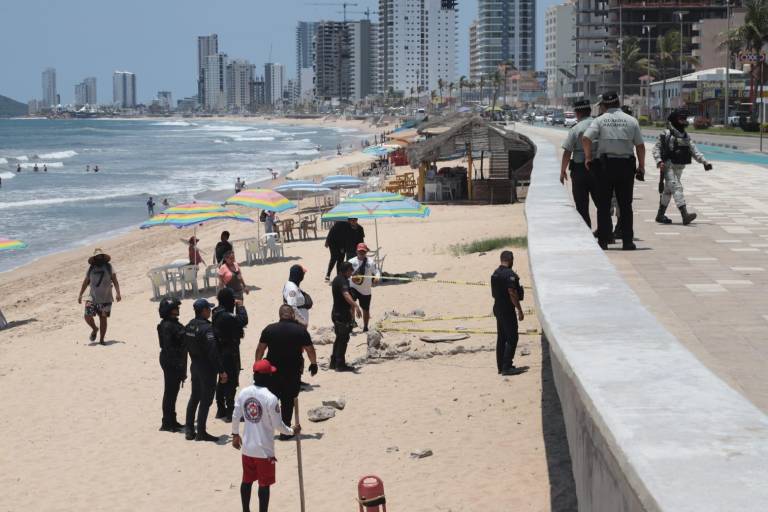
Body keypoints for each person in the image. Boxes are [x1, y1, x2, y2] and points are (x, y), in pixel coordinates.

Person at [232, 360, 301, 512]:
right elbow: (278, 425)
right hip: (264, 450)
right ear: (268, 376)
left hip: (247, 448)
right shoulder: (271, 398)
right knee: (264, 484)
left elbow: (236, 415)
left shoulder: (244, 392)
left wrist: (235, 434)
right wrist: (292, 431)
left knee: (246, 481)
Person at [583, 91, 646, 251]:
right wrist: (641, 166)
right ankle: (627, 241)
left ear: (603, 105)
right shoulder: (631, 120)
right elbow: (640, 146)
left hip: (605, 166)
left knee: (603, 205)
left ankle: (604, 241)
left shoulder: (600, 120)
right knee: (625, 205)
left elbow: (586, 138)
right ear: (618, 103)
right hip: (626, 166)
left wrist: (588, 157)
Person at [255, 305, 318, 437]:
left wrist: (258, 365)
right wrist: (313, 364)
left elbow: (260, 349)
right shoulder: (300, 331)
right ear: (292, 315)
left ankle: (267, 428)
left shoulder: (269, 329)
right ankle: (285, 430)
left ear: (279, 315)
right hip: (292, 371)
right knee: (288, 401)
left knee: (271, 399)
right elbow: (310, 350)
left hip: (272, 371)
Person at [653, 109, 712, 225]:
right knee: (677, 188)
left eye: (685, 118)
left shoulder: (685, 136)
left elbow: (694, 151)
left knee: (668, 191)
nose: (684, 121)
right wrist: (659, 161)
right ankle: (684, 214)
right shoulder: (666, 134)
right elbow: (656, 149)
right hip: (669, 166)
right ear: (675, 120)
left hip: (680, 167)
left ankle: (660, 215)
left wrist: (704, 162)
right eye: (681, 119)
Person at [184, 298, 228, 442]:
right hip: (206, 368)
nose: (210, 311)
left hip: (194, 365)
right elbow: (213, 352)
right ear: (203, 311)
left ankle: (189, 429)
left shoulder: (189, 325)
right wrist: (221, 371)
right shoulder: (207, 328)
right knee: (206, 400)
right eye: (208, 309)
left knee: (194, 396)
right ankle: (201, 431)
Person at [560, 99, 599, 228]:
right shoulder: (599, 125)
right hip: (599, 167)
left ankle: (586, 230)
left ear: (578, 113)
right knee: (602, 203)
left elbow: (567, 152)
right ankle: (605, 233)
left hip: (580, 170)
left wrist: (562, 171)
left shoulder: (576, 129)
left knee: (581, 204)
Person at [213, 287, 249, 423]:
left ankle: (221, 408)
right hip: (229, 352)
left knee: (222, 380)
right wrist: (241, 307)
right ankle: (230, 412)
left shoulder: (216, 312)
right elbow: (243, 320)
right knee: (231, 381)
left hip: (221, 350)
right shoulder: (226, 316)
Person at [491, 251, 526, 376]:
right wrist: (520, 310)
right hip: (507, 309)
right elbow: (512, 292)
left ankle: (501, 366)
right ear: (511, 260)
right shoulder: (509, 275)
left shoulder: (495, 273)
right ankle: (507, 367)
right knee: (512, 337)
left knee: (501, 337)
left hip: (497, 308)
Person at [77, 248, 121, 345]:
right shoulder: (91, 268)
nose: (99, 258)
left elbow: (115, 281)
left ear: (103, 257)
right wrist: (80, 295)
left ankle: (101, 340)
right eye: (97, 257)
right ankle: (94, 328)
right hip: (92, 297)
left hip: (106, 298)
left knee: (103, 318)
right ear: (95, 258)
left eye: (100, 256)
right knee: (87, 316)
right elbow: (85, 282)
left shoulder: (109, 267)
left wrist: (118, 293)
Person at [157, 298, 187, 432]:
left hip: (170, 359)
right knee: (170, 392)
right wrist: (178, 364)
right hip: (170, 361)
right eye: (175, 307)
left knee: (172, 392)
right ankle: (167, 423)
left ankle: (171, 420)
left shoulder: (170, 323)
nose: (178, 309)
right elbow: (170, 347)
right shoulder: (169, 325)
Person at [330, 262, 362, 372]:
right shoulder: (342, 281)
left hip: (338, 313)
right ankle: (340, 364)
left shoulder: (338, 279)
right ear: (345, 270)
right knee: (343, 339)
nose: (351, 272)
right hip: (340, 315)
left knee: (339, 338)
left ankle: (333, 362)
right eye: (350, 270)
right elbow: (346, 295)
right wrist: (356, 305)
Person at [348, 243, 380, 332]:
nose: (361, 253)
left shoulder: (370, 262)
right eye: (359, 251)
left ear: (366, 252)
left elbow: (377, 271)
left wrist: (377, 277)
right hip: (353, 286)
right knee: (351, 305)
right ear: (356, 251)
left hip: (365, 290)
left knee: (365, 309)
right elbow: (345, 273)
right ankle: (352, 322)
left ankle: (365, 327)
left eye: (363, 251)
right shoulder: (351, 261)